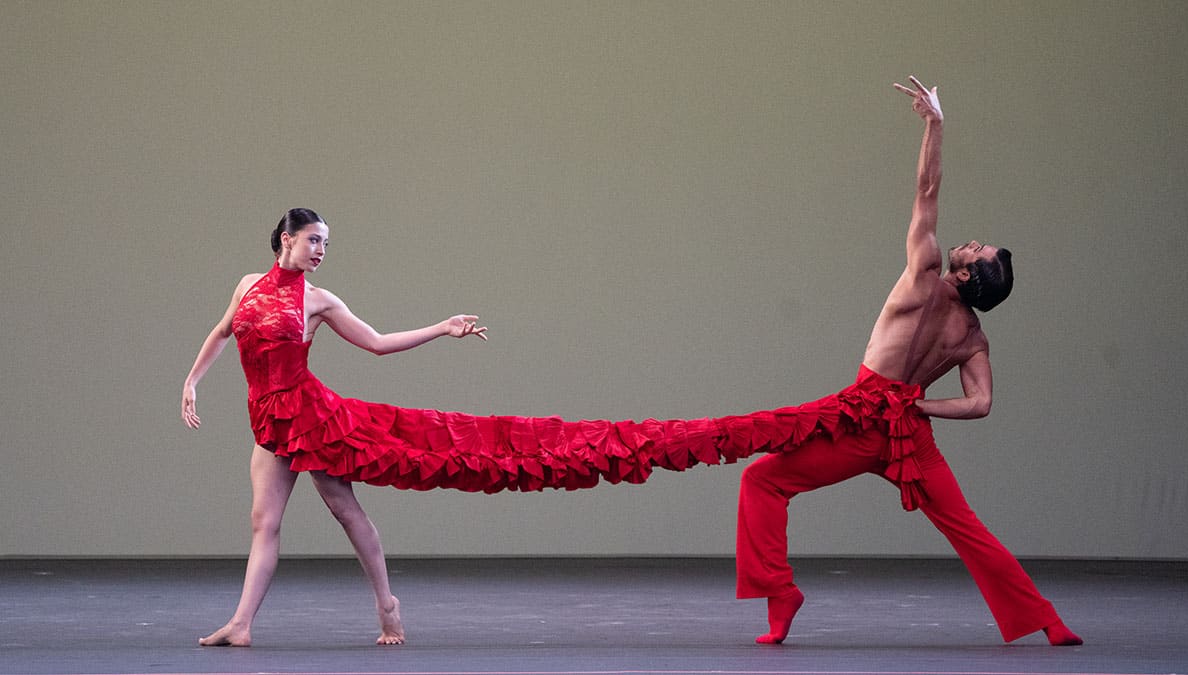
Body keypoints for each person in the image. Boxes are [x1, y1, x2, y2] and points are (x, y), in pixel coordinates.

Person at [182, 208, 780, 646]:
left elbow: (379, 344)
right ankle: (242, 623)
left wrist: (441, 328)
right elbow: (221, 332)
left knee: (344, 508)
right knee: (264, 521)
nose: (321, 250)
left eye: (327, 244)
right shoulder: (248, 286)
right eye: (314, 241)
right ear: (286, 238)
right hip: (268, 420)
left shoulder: (319, 301)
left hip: (311, 417)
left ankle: (387, 606)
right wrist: (192, 381)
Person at [733, 77, 1083, 646]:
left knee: (761, 480)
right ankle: (1049, 621)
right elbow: (981, 403)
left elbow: (927, 187)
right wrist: (921, 404)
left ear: (965, 274)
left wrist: (934, 124)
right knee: (967, 530)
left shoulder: (924, 273)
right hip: (908, 433)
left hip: (858, 420)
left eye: (976, 251)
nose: (971, 243)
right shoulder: (972, 336)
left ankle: (781, 596)